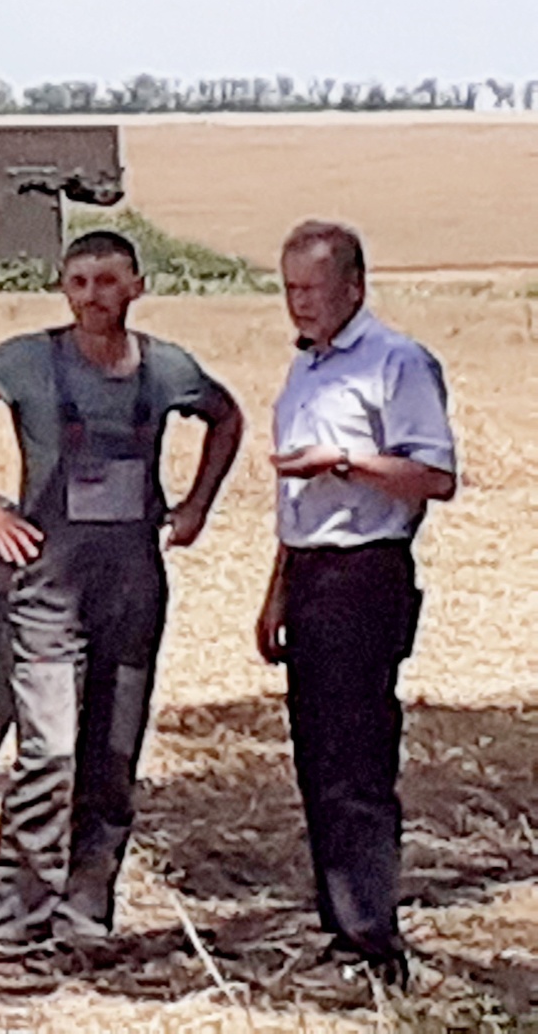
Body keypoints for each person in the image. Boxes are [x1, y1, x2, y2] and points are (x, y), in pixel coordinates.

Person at [0, 228, 243, 956]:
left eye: (108, 281)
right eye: (80, 281)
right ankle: (17, 930)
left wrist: (197, 507)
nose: (93, 296)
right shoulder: (28, 361)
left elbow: (228, 417)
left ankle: (86, 920)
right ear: (65, 289)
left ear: (137, 287)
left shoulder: (165, 369)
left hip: (131, 592)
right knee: (50, 755)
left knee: (111, 762)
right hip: (49, 596)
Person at [257, 220, 457, 991]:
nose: (297, 305)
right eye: (288, 290)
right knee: (317, 760)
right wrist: (276, 590)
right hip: (310, 575)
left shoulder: (396, 363)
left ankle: (373, 946)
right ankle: (340, 929)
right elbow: (293, 493)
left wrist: (342, 461)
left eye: (310, 289)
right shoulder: (306, 370)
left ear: (354, 288)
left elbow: (434, 476)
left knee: (356, 765)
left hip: (364, 574)